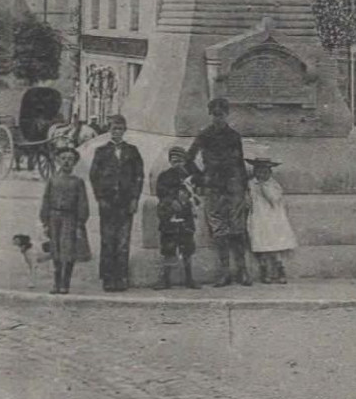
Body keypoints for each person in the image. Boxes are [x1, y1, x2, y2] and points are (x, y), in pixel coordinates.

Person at [190, 97, 251, 287]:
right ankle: (224, 272)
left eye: (222, 115)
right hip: (213, 187)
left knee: (238, 228)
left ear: (227, 114)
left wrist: (245, 188)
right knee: (219, 230)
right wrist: (200, 178)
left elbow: (240, 162)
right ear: (211, 115)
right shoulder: (204, 135)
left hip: (233, 186)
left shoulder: (234, 136)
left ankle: (242, 271)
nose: (218, 118)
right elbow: (188, 159)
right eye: (215, 115)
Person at [89, 115, 144, 292]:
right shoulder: (101, 151)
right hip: (107, 202)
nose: (117, 132)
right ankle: (108, 277)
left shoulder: (132, 151)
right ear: (109, 130)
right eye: (114, 129)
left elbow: (138, 176)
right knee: (107, 239)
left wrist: (134, 199)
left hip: (125, 203)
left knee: (122, 240)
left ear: (125, 130)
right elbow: (94, 176)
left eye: (120, 129)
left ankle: (121, 277)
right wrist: (100, 198)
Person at [39, 144, 91, 295]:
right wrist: (45, 221)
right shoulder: (52, 180)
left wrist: (80, 222)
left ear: (75, 162)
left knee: (68, 251)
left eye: (70, 159)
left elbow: (83, 202)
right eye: (63, 159)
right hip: (54, 218)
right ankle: (56, 283)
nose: (67, 162)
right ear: (57, 160)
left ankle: (65, 284)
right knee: (56, 250)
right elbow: (46, 200)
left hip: (70, 218)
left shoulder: (78, 182)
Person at [155, 147, 200, 289]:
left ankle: (189, 278)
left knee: (187, 249)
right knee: (168, 248)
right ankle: (165, 279)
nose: (177, 164)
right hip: (169, 218)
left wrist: (190, 200)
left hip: (186, 218)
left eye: (180, 161)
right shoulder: (164, 176)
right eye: (174, 161)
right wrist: (171, 201)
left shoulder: (190, 177)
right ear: (170, 161)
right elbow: (160, 193)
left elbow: (197, 192)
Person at [246, 157, 297, 284]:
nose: (261, 174)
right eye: (258, 170)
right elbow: (248, 199)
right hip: (258, 216)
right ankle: (265, 271)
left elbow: (274, 199)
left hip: (272, 218)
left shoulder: (273, 185)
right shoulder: (251, 184)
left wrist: (264, 187)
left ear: (269, 172)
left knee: (275, 245)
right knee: (261, 244)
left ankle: (279, 271)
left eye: (265, 171)